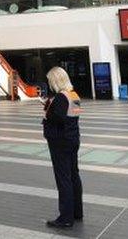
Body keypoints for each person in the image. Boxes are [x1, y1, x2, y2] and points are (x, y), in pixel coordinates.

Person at [42, 66, 83, 228]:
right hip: (73, 139)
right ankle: (77, 212)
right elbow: (71, 118)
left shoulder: (60, 98)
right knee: (73, 175)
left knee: (63, 179)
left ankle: (65, 217)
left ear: (56, 80)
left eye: (51, 80)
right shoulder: (74, 95)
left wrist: (47, 110)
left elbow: (56, 119)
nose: (50, 83)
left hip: (60, 142)